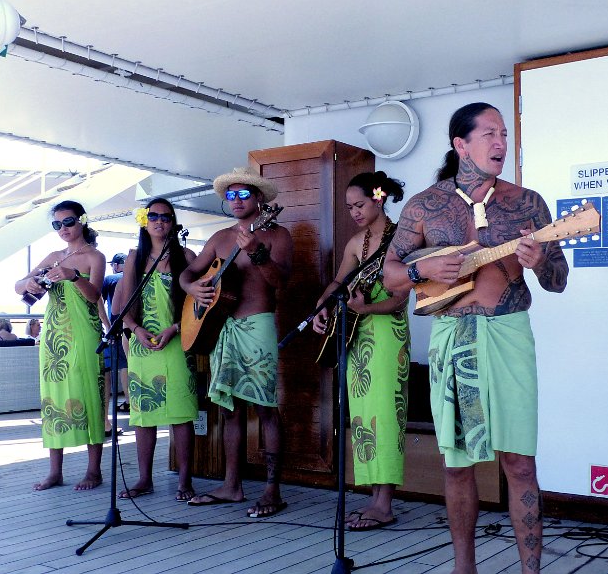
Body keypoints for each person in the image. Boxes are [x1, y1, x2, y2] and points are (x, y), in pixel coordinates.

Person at [382, 102, 569, 574]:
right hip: (452, 335)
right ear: (460, 144)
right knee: (457, 463)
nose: (500, 143)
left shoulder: (528, 203)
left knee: (520, 462)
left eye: (504, 134)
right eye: (489, 134)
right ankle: (464, 568)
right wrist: (420, 267)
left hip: (509, 332)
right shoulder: (424, 205)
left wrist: (538, 261)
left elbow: (558, 279)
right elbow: (389, 276)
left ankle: (531, 571)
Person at [181, 166, 293, 518]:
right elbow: (189, 272)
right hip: (222, 329)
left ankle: (272, 490)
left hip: (257, 325)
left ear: (259, 198)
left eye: (244, 193)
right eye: (231, 195)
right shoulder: (219, 237)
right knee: (229, 411)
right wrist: (190, 287)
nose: (237, 200)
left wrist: (258, 252)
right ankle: (232, 485)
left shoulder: (278, 235)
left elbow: (280, 283)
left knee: (265, 409)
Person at [312, 171, 408, 531]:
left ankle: (385, 503)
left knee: (385, 415)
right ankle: (375, 498)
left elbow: (400, 299)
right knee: (363, 417)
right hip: (357, 334)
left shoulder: (403, 238)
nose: (353, 211)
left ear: (379, 198)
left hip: (387, 334)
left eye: (360, 204)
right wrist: (322, 306)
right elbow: (339, 282)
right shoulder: (356, 242)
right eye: (349, 206)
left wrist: (365, 309)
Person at [14, 200, 106, 491]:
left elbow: (94, 296)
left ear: (82, 221)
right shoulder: (54, 255)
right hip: (54, 336)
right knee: (53, 399)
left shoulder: (95, 256)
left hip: (84, 333)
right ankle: (55, 471)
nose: (63, 229)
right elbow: (18, 284)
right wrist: (28, 285)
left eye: (68, 222)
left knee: (91, 394)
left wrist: (74, 276)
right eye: (57, 224)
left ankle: (94, 470)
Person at [114, 199, 200, 502]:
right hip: (142, 345)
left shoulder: (186, 256)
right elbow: (121, 308)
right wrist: (136, 330)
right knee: (143, 416)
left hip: (177, 340)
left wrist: (174, 328)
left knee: (181, 414)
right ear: (144, 221)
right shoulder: (134, 258)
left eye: (166, 217)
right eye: (153, 216)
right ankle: (144, 479)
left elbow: (200, 303)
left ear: (173, 222)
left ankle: (185, 481)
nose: (159, 221)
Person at [102, 252, 130, 425]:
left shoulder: (110, 279)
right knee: (129, 363)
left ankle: (128, 402)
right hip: (134, 326)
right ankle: (132, 401)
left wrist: (106, 326)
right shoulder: (135, 277)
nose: (113, 266)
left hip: (116, 326)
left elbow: (99, 300)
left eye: (114, 264)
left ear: (118, 265)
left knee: (119, 366)